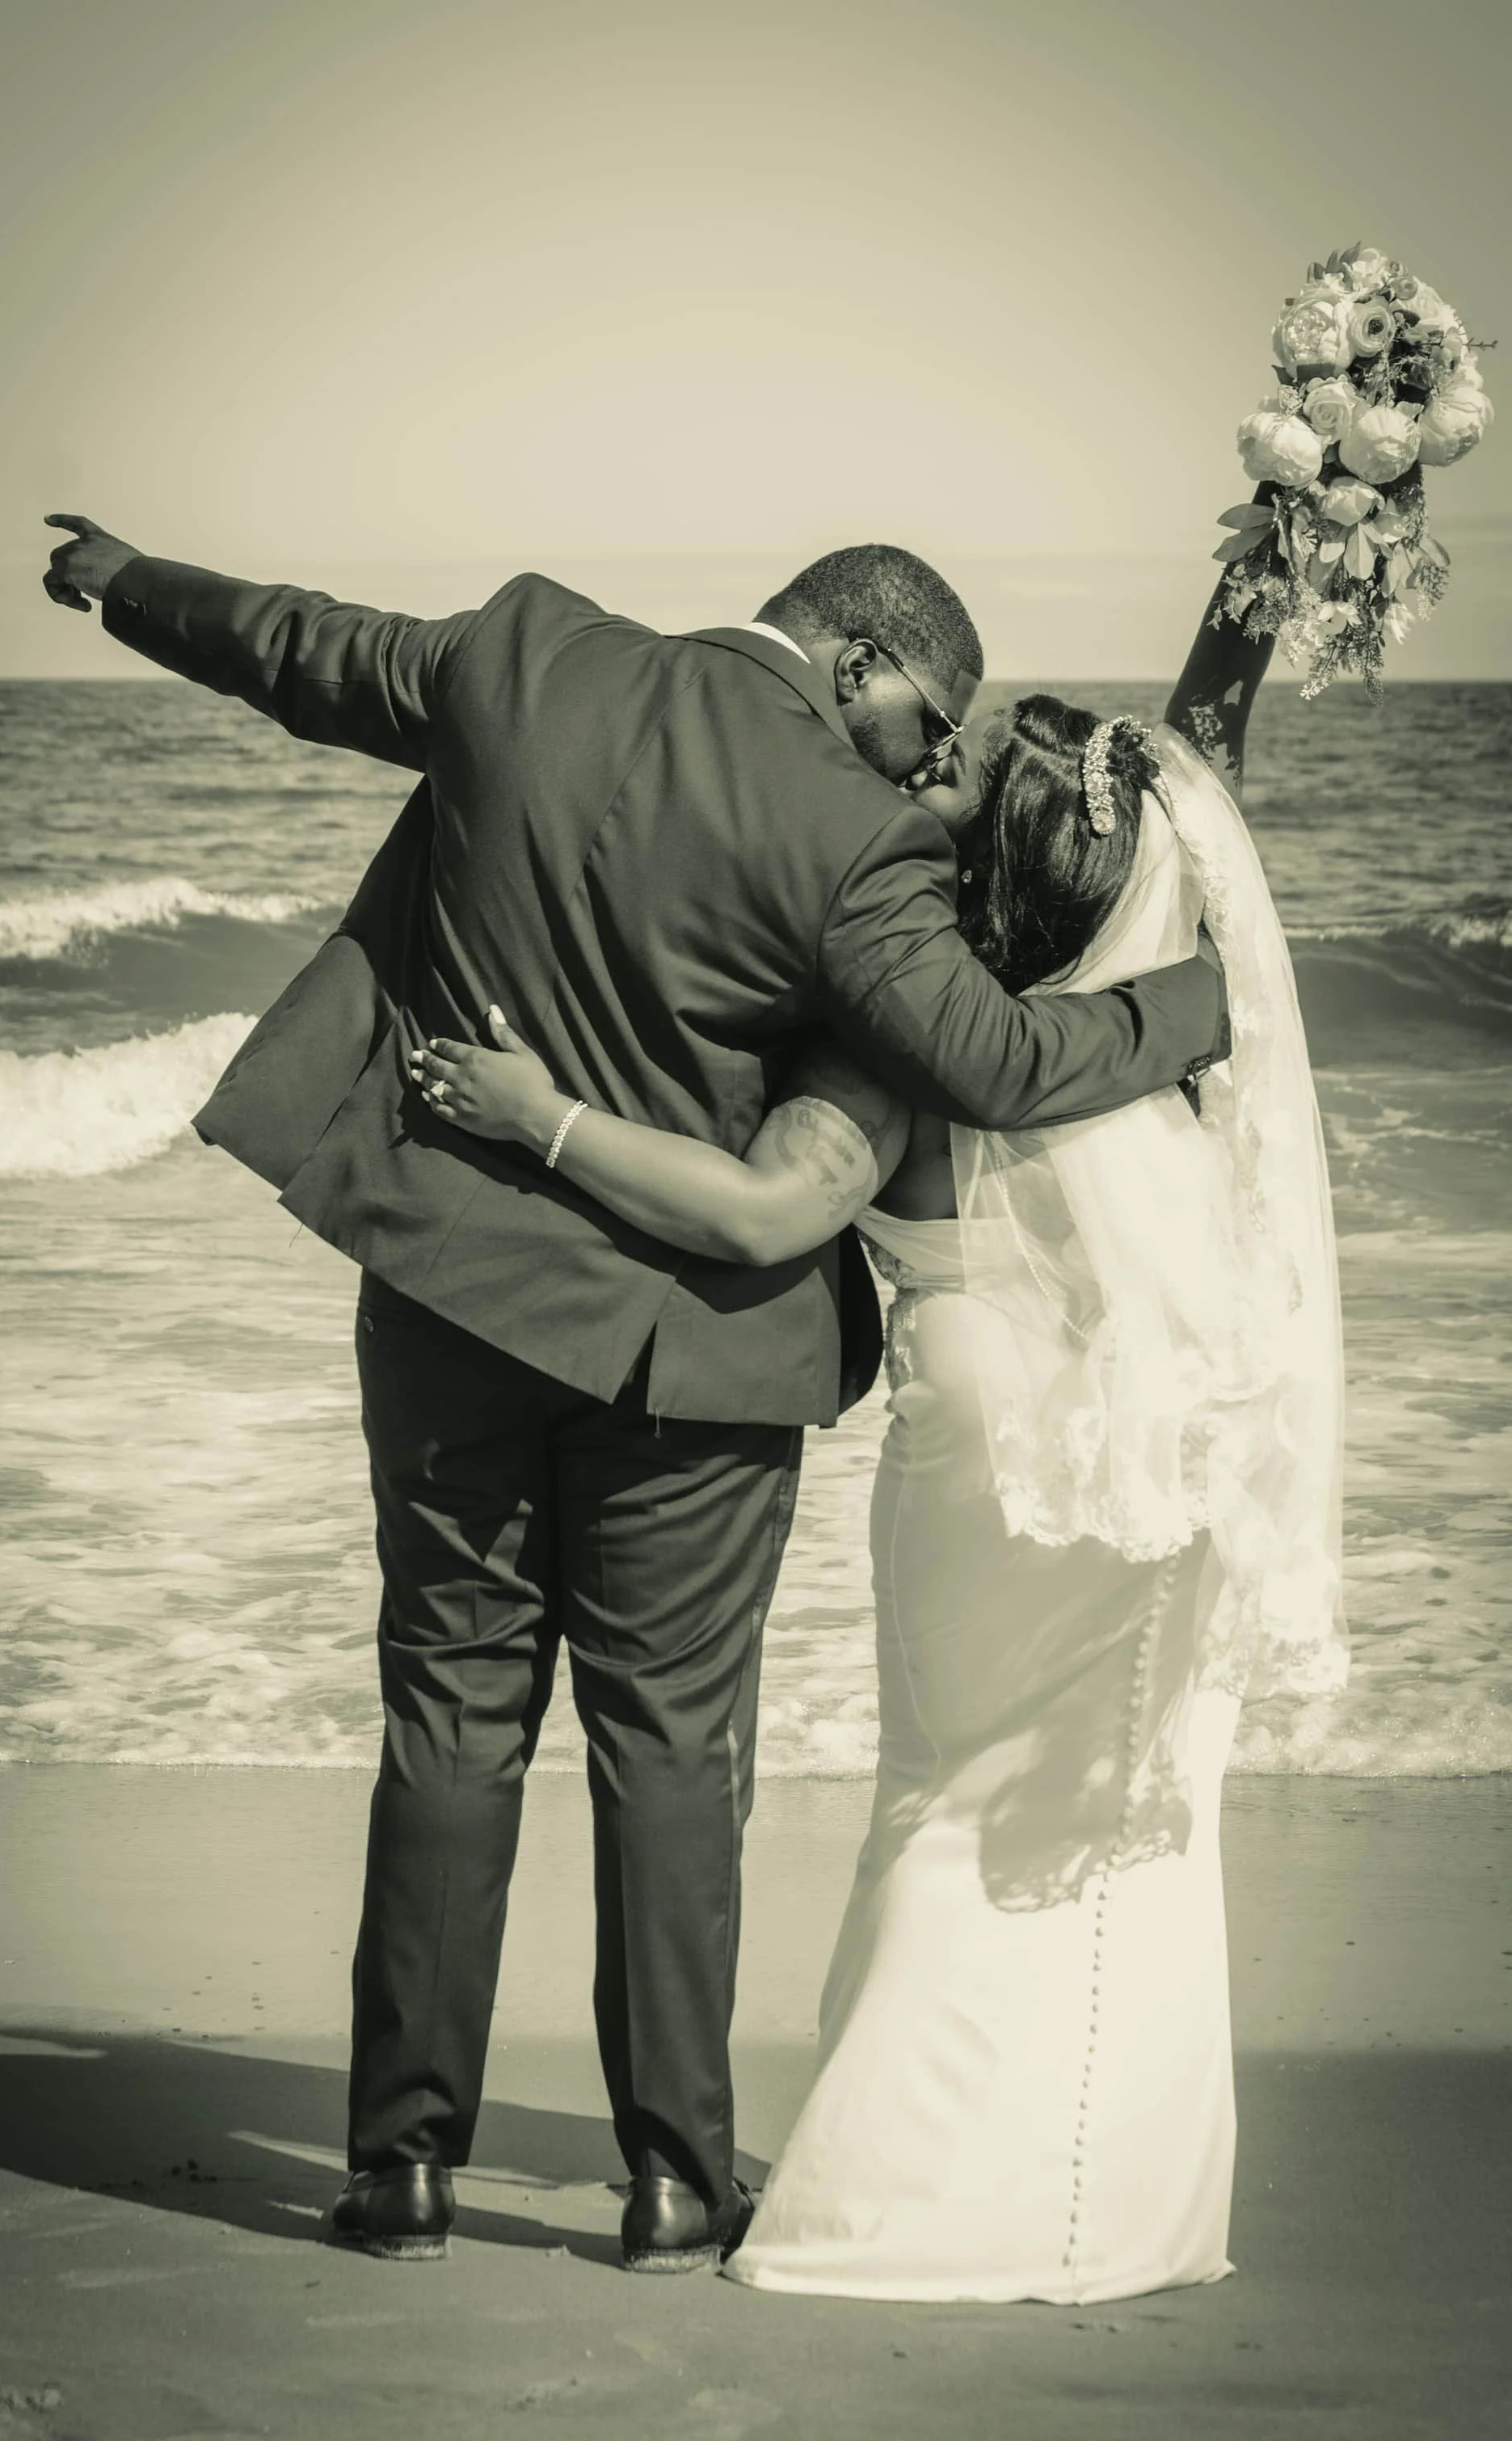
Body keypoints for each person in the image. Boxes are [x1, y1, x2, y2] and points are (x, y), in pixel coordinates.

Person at [42, 515, 1227, 2274]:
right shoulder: (856, 835)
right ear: (857, 662)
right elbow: (995, 1058)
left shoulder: (521, 656)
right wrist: (1201, 1004)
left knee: (446, 1721)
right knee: (674, 1755)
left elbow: (294, 647)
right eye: (925, 724)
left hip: (448, 1300)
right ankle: (676, 2177)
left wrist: (127, 581)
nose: (929, 767)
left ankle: (399, 2170)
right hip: (694, 1353)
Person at [411, 580, 1346, 2301]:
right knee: (1133, 1806)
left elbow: (768, 1211)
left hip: (983, 1483)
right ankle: (1123, 2203)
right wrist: (1270, 572)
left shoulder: (909, 1049)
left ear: (972, 862)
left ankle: (896, 2189)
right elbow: (1202, 767)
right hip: (1170, 1481)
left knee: (945, 1801)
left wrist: (546, 1118)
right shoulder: (1179, 1040)